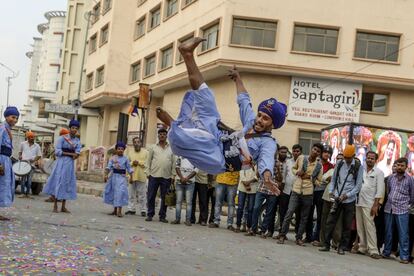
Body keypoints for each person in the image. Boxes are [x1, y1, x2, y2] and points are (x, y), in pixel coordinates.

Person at [155, 37, 286, 194]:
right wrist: (238, 79)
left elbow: (266, 159)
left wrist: (266, 176)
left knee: (197, 139)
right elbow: (245, 101)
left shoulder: (268, 143)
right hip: (218, 134)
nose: (259, 120)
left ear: (273, 124)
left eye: (265, 118)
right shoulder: (251, 122)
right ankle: (187, 54)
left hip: (218, 159)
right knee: (206, 97)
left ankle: (173, 124)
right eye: (260, 115)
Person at [320, 144, 363, 255]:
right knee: (330, 221)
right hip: (337, 197)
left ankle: (342, 247)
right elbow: (334, 180)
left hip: (349, 200)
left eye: (349, 157)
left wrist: (347, 195)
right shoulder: (339, 164)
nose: (347, 159)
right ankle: (326, 245)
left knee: (346, 224)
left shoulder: (358, 166)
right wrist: (332, 192)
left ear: (353, 156)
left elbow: (358, 186)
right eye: (345, 157)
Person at [277, 143, 323, 246]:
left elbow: (320, 182)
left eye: (318, 151)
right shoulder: (302, 158)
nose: (315, 152)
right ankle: (282, 235)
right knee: (289, 213)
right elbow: (293, 168)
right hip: (296, 190)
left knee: (304, 217)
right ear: (311, 149)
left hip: (308, 193)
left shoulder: (319, 165)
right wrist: (297, 172)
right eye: (314, 149)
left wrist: (310, 178)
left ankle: (299, 238)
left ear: (319, 154)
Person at [43, 119, 81, 213]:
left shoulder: (77, 141)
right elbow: (58, 152)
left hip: (70, 165)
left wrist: (74, 155)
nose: (74, 130)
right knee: (58, 181)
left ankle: (63, 206)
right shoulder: (62, 138)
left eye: (76, 128)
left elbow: (77, 153)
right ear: (69, 128)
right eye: (73, 128)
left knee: (67, 183)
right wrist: (70, 154)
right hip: (60, 163)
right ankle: (55, 205)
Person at [382, 158, 414, 264]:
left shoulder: (410, 179)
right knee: (388, 232)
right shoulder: (391, 178)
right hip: (389, 208)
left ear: (406, 167)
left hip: (402, 209)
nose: (399, 167)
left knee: (403, 233)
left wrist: (407, 205)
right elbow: (389, 190)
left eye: (402, 165)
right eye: (398, 165)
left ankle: (404, 257)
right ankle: (386, 252)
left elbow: (412, 195)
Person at [355, 151, 385, 259]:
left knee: (370, 227)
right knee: (360, 226)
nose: (370, 160)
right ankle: (362, 247)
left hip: (370, 203)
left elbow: (380, 190)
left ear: (375, 160)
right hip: (358, 201)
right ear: (365, 158)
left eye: (372, 158)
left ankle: (373, 250)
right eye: (368, 158)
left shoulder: (379, 172)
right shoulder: (360, 170)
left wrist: (376, 205)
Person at [145, 128, 174, 223]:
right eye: (160, 134)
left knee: (164, 197)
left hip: (166, 176)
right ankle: (150, 214)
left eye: (164, 134)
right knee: (151, 196)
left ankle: (162, 216)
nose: (162, 135)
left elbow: (173, 163)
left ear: (166, 136)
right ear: (158, 136)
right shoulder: (153, 147)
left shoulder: (171, 148)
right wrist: (148, 173)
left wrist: (173, 175)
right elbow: (148, 161)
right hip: (153, 175)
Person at [273, 144, 302, 240]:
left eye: (297, 151)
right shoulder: (288, 162)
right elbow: (284, 175)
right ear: (292, 152)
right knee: (283, 211)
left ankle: (298, 235)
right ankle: (282, 232)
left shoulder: (303, 162)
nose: (296, 153)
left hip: (298, 191)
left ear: (300, 152)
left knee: (297, 213)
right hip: (286, 190)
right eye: (294, 151)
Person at [309, 146, 334, 246]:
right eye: (325, 152)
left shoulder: (331, 166)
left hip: (322, 192)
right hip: (310, 190)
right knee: (309, 214)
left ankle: (317, 237)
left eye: (329, 153)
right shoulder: (316, 162)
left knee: (320, 216)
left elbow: (329, 179)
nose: (326, 154)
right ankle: (308, 236)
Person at [319, 153, 343, 248]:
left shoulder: (346, 172)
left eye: (341, 159)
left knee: (337, 222)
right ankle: (323, 241)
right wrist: (329, 178)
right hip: (327, 197)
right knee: (324, 220)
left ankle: (336, 243)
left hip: (338, 199)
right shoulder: (332, 170)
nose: (339, 161)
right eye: (337, 159)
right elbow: (323, 178)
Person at [103, 142, 133, 217]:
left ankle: (119, 211)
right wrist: (106, 175)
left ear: (124, 150)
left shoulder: (126, 158)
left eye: (122, 149)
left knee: (120, 193)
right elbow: (109, 167)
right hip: (113, 178)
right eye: (119, 149)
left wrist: (131, 177)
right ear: (116, 150)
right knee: (114, 193)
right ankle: (115, 210)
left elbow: (129, 168)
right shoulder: (113, 158)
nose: (120, 150)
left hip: (122, 178)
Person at [0, 106, 19, 220]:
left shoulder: (8, 129)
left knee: (3, 185)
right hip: (1, 159)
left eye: (17, 118)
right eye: (13, 117)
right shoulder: (2, 128)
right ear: (6, 117)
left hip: (6, 159)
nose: (15, 120)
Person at [267, 146, 288, 237]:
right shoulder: (274, 162)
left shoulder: (289, 163)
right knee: (272, 210)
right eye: (282, 152)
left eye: (285, 152)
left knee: (283, 212)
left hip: (285, 190)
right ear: (278, 152)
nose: (283, 154)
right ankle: (270, 231)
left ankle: (282, 233)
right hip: (275, 189)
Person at [171, 156, 197, 226]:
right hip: (179, 182)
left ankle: (188, 220)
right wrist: (182, 178)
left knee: (189, 203)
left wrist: (186, 178)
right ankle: (177, 219)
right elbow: (177, 167)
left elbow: (195, 171)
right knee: (178, 202)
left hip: (190, 183)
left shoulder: (194, 158)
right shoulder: (180, 157)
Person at [125, 137, 148, 216]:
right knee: (131, 194)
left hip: (142, 176)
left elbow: (147, 163)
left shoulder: (146, 152)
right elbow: (127, 163)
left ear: (141, 143)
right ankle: (131, 209)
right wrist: (132, 163)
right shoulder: (130, 152)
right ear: (133, 143)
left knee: (142, 195)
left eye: (138, 142)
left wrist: (138, 162)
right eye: (135, 142)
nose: (136, 144)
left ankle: (143, 210)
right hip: (131, 176)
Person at [18, 131, 42, 198]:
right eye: (30, 137)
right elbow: (20, 152)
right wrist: (20, 156)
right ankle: (22, 193)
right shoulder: (23, 144)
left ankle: (28, 193)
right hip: (24, 163)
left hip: (32, 165)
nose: (32, 138)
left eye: (33, 137)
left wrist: (33, 160)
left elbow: (39, 155)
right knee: (23, 179)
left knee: (29, 180)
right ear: (27, 138)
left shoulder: (37, 146)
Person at [235, 167, 258, 233]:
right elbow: (241, 172)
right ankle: (238, 226)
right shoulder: (244, 162)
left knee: (250, 209)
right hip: (242, 186)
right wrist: (246, 183)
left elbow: (257, 176)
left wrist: (249, 182)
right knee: (240, 207)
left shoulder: (258, 163)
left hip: (253, 188)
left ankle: (248, 227)